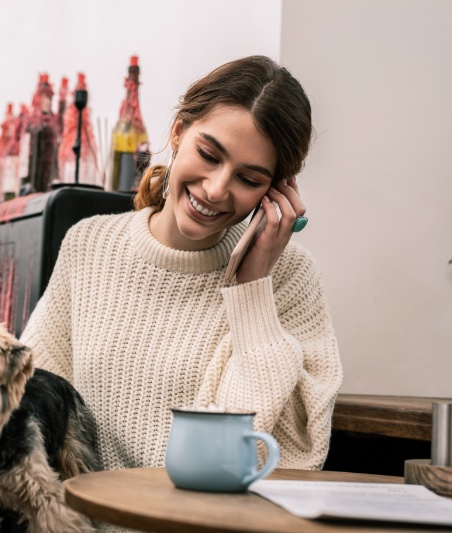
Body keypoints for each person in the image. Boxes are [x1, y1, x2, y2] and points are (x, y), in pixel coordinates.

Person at [19, 56, 343, 479]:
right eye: (209, 154)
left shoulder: (290, 277)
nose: (216, 189)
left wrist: (251, 290)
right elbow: (28, 411)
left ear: (276, 191)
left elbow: (290, 459)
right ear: (178, 132)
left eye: (249, 179)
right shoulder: (89, 245)